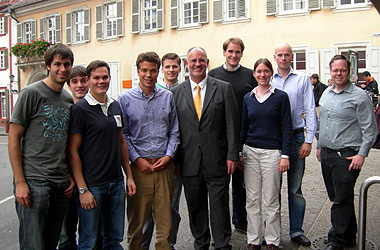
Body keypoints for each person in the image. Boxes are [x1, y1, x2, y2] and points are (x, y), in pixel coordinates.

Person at [172, 47, 240, 250]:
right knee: (195, 206)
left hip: (218, 159)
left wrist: (232, 154)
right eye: (193, 60)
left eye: (201, 60)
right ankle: (200, 243)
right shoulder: (176, 92)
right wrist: (175, 160)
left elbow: (232, 124)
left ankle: (221, 244)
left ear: (207, 62)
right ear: (187, 64)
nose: (197, 64)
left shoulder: (223, 88)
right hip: (188, 160)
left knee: (219, 206)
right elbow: (173, 129)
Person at [8, 43, 75, 250]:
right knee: (32, 244)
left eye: (67, 64)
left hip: (60, 183)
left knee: (50, 243)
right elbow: (14, 138)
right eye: (57, 64)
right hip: (35, 182)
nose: (62, 69)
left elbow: (65, 144)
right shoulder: (31, 93)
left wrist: (69, 176)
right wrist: (20, 182)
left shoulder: (67, 98)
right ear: (48, 65)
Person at [68, 60, 136, 249]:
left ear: (109, 78)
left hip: (115, 184)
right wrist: (83, 190)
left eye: (104, 77)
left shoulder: (115, 105)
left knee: (113, 239)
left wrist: (128, 176)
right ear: (88, 80)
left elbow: (121, 142)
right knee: (89, 242)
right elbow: (72, 151)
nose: (101, 81)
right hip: (92, 186)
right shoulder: (79, 110)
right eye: (96, 77)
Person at [119, 51, 180, 250]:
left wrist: (169, 155)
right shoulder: (125, 99)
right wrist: (137, 160)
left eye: (153, 71)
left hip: (164, 167)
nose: (148, 75)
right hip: (139, 168)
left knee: (165, 224)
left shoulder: (167, 97)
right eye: (144, 70)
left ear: (158, 72)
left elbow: (174, 130)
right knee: (137, 224)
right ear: (138, 71)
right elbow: (124, 135)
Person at [316, 55, 377, 250]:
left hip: (347, 156)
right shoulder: (326, 93)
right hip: (326, 153)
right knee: (338, 196)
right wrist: (319, 145)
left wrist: (362, 154)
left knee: (341, 199)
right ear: (330, 71)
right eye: (335, 70)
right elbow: (322, 122)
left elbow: (371, 129)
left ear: (349, 72)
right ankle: (350, 235)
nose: (339, 73)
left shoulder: (359, 96)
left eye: (342, 70)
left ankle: (337, 240)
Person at [240, 58, 292, 250]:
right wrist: (239, 151)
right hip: (251, 152)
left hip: (272, 153)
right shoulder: (248, 97)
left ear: (271, 73)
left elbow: (287, 126)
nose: (262, 75)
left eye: (266, 71)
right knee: (252, 199)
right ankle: (253, 239)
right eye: (259, 71)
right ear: (254, 74)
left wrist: (285, 155)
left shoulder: (281, 97)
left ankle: (272, 240)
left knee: (271, 199)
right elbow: (244, 126)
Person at [208, 37, 257, 234]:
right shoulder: (213, 75)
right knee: (219, 188)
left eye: (237, 52)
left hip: (243, 137)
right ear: (224, 53)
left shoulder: (249, 76)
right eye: (230, 51)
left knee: (242, 185)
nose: (234, 55)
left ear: (242, 54)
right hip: (219, 140)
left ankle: (241, 222)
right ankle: (221, 229)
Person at [271, 42, 317, 247]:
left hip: (297, 137)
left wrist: (308, 140)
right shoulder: (267, 79)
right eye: (279, 55)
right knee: (273, 189)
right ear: (274, 57)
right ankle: (272, 232)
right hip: (274, 139)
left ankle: (297, 230)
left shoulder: (302, 80)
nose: (283, 58)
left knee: (295, 189)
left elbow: (310, 108)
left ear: (292, 57)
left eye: (286, 55)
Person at [141, 52, 182, 250]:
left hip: (172, 160)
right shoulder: (154, 91)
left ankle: (169, 244)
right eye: (168, 67)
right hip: (147, 161)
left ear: (180, 69)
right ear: (162, 71)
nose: (171, 70)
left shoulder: (183, 91)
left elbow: (177, 130)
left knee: (170, 208)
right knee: (147, 210)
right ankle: (144, 245)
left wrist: (173, 157)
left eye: (175, 66)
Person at [58, 65, 91, 250]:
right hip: (69, 181)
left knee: (91, 231)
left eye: (83, 80)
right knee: (67, 233)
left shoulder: (93, 108)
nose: (80, 85)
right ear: (68, 85)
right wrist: (69, 177)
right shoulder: (66, 108)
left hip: (92, 178)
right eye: (75, 81)